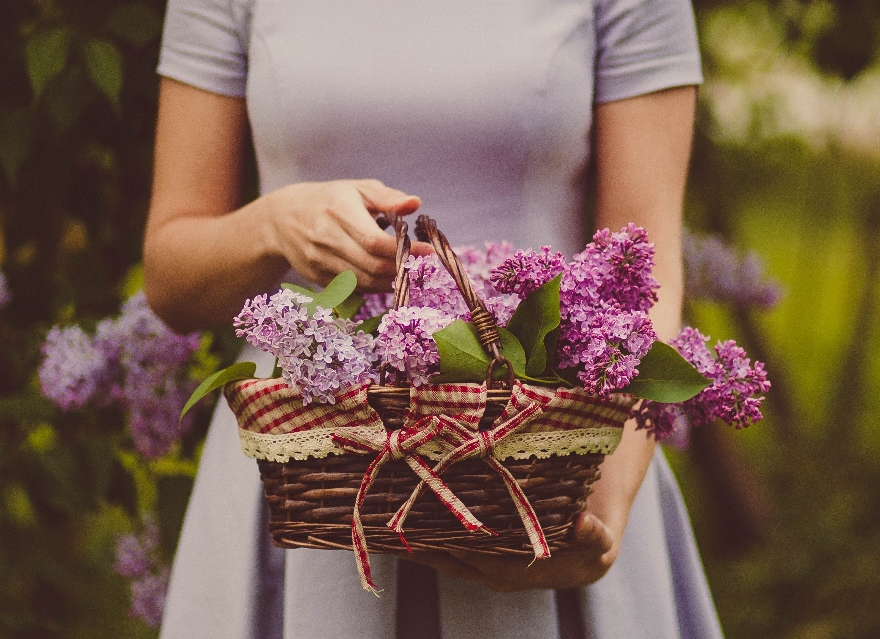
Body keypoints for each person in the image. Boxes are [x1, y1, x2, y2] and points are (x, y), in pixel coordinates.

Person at [143, 0, 723, 637]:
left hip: (550, 463)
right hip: (306, 470)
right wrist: (272, 225)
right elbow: (173, 279)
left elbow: (644, 272)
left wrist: (597, 518)